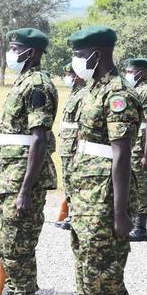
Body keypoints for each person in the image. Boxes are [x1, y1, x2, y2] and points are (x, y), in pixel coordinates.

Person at [58, 27, 141, 295]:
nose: (78, 60)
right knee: (87, 276)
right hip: (86, 199)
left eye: (82, 53)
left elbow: (122, 157)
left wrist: (121, 213)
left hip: (106, 202)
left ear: (98, 54)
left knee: (105, 278)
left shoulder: (118, 94)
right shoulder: (92, 91)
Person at [0, 28, 58, 295]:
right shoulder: (24, 82)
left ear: (32, 52)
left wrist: (26, 189)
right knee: (9, 248)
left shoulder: (38, 85)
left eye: (16, 48)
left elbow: (39, 138)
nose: (11, 53)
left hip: (23, 182)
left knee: (19, 249)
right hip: (11, 179)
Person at [125, 58, 147, 242]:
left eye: (132, 71)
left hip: (142, 147)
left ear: (142, 72)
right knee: (132, 184)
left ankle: (141, 227)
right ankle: (132, 221)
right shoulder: (135, 90)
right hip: (132, 145)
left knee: (143, 186)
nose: (129, 74)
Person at [55, 62, 86, 232]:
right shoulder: (74, 94)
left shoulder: (83, 95)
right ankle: (70, 213)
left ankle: (75, 215)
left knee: (74, 180)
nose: (69, 78)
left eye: (72, 74)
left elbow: (82, 124)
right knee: (67, 180)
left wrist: (79, 149)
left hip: (74, 145)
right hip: (66, 145)